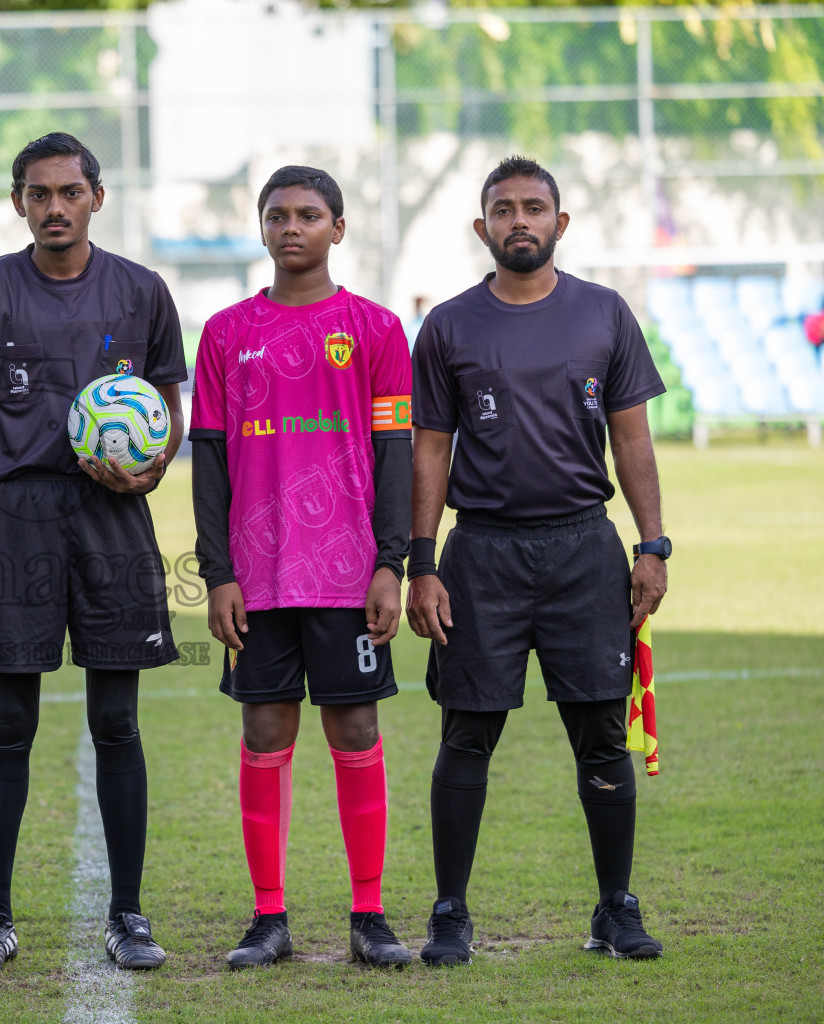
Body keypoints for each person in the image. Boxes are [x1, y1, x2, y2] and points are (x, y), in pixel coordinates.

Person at [407, 156, 671, 965]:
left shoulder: (604, 313)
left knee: (599, 733)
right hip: (480, 550)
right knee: (468, 735)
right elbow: (429, 450)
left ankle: (615, 910)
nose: (519, 220)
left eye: (534, 207)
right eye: (503, 209)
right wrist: (423, 561)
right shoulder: (449, 325)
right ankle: (450, 912)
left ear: (561, 223)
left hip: (583, 547)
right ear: (481, 227)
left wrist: (651, 544)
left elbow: (632, 439)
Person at [0, 132, 188, 972]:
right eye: (38, 194)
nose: (54, 207)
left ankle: (128, 913)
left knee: (116, 720)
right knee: (10, 725)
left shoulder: (143, 292)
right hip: (16, 517)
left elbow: (168, 410)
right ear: (19, 203)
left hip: (114, 519)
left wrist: (149, 466)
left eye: (69, 192)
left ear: (96, 198)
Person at [190, 166, 414, 970]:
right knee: (264, 729)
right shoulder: (224, 333)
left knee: (356, 727)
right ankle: (269, 918)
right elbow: (209, 461)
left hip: (350, 575)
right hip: (258, 576)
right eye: (278, 215)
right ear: (261, 229)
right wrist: (217, 572)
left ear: (338, 229)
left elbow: (395, 454)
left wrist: (392, 562)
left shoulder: (379, 330)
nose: (293, 227)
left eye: (309, 215)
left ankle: (368, 913)